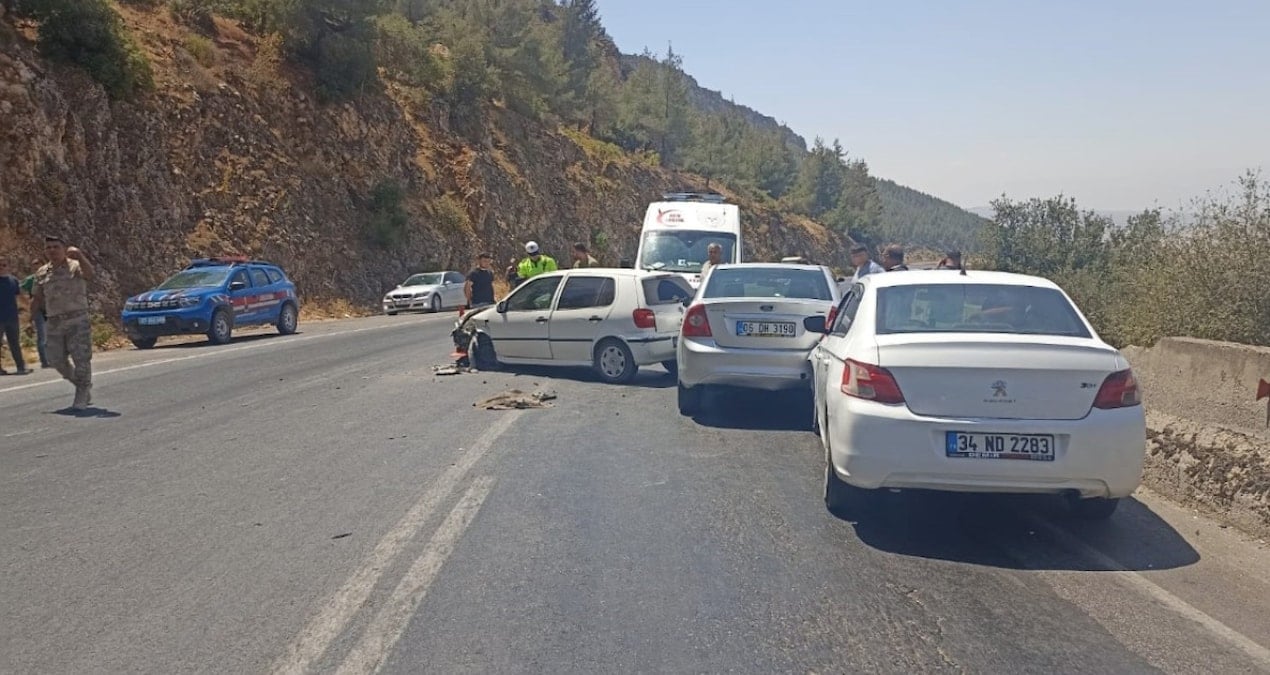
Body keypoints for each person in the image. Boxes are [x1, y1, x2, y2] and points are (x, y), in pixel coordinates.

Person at [32, 235, 95, 410]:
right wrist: (30, 319)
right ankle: (81, 384)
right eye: (48, 247)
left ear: (64, 249)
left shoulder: (75, 266)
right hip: (54, 322)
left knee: (81, 358)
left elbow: (90, 274)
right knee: (54, 359)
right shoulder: (42, 272)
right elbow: (37, 298)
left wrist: (80, 256)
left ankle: (82, 393)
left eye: (56, 247)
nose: (52, 250)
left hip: (77, 319)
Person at [0, 257, 28, 375]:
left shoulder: (13, 280)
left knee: (14, 343)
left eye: (4, 265)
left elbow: (19, 296)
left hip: (12, 317)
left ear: (8, 267)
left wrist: (27, 310)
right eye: (0, 265)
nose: (1, 267)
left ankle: (21, 367)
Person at [20, 257, 49, 368]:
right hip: (37, 310)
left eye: (38, 264)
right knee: (42, 335)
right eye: (34, 265)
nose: (36, 267)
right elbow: (20, 290)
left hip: (51, 309)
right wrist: (26, 303)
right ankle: (45, 361)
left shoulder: (50, 277)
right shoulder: (30, 280)